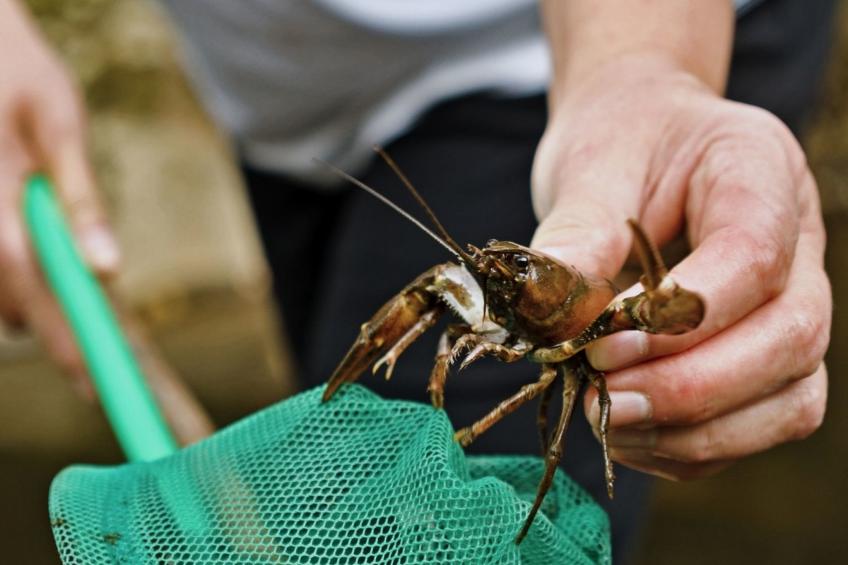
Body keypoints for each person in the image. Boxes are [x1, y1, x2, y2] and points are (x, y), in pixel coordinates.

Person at [0, 0, 835, 561]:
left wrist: (646, 69)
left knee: (400, 525)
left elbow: (655, 311)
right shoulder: (484, 286)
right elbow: (451, 295)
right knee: (350, 406)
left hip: (566, 56)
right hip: (283, 99)